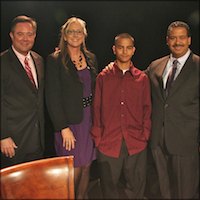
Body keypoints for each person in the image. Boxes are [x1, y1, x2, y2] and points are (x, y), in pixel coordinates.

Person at [91, 33, 152, 199]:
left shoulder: (142, 79)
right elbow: (96, 109)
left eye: (128, 48)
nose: (124, 51)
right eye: (120, 47)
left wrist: (145, 134)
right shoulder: (103, 77)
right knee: (109, 190)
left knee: (136, 189)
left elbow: (147, 108)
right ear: (114, 49)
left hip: (136, 143)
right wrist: (98, 138)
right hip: (109, 142)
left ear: (133, 50)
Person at [45, 17, 98, 199]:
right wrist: (63, 128)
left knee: (86, 166)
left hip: (89, 120)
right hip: (69, 124)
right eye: (71, 31)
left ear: (84, 35)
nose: (75, 35)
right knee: (72, 170)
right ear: (65, 36)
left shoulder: (91, 58)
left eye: (79, 31)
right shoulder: (55, 60)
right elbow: (52, 97)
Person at [146, 21, 199, 199]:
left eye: (182, 37)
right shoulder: (155, 66)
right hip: (158, 141)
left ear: (189, 40)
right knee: (163, 191)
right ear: (167, 41)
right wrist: (114, 68)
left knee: (185, 192)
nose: (178, 42)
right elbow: (135, 82)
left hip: (186, 141)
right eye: (173, 38)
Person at [1, 15, 45, 168]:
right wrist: (3, 136)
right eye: (20, 34)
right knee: (13, 190)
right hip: (13, 142)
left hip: (37, 139)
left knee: (34, 187)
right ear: (11, 35)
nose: (25, 39)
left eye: (30, 34)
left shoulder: (39, 60)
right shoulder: (3, 62)